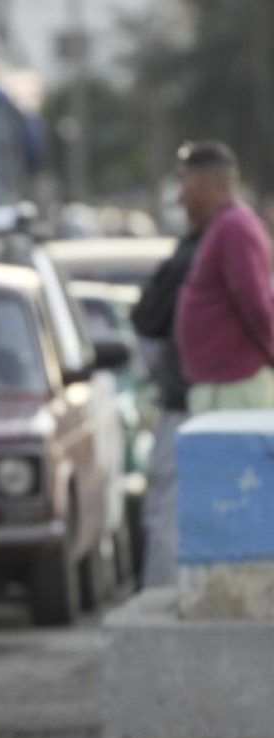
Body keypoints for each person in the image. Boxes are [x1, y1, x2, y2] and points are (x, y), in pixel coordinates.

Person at [174, 140, 274, 412]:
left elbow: (255, 303)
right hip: (224, 385)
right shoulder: (225, 224)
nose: (180, 197)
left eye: (185, 183)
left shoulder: (235, 227)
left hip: (234, 387)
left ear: (206, 182)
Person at [131, 221, 203, 588]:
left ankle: (158, 590)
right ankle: (159, 592)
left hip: (182, 404)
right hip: (186, 404)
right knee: (167, 515)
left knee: (164, 512)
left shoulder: (196, 249)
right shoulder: (198, 254)